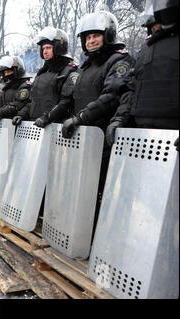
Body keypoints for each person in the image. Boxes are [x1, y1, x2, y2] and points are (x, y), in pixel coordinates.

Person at [37, 10, 135, 222]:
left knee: (102, 189)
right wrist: (57, 116)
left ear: (107, 35)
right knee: (81, 187)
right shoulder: (86, 67)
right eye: (87, 37)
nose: (91, 41)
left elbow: (111, 96)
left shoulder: (119, 61)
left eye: (96, 36)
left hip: (105, 138)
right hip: (83, 137)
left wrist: (80, 118)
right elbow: (70, 99)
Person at [106, 0, 179, 147]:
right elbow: (133, 89)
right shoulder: (146, 49)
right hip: (144, 136)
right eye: (153, 28)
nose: (156, 30)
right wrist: (120, 119)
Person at [14, 27, 78, 126]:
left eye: (48, 48)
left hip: (55, 128)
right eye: (43, 48)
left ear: (58, 48)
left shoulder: (69, 71)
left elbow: (66, 102)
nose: (45, 51)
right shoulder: (41, 73)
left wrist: (48, 117)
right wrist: (22, 114)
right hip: (35, 127)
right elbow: (33, 101)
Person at [0, 56, 32, 126]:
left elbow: (17, 106)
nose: (6, 74)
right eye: (5, 72)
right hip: (5, 127)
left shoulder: (25, 86)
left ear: (17, 70)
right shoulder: (7, 87)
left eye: (9, 71)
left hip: (19, 126)